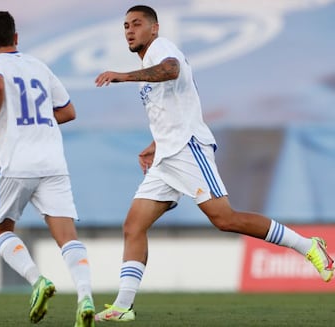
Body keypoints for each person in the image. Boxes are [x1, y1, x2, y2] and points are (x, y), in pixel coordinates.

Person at [94, 5, 334, 322]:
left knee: (224, 218)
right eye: (126, 25)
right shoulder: (148, 66)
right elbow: (178, 105)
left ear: (154, 28)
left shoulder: (161, 49)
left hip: (188, 149)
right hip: (168, 155)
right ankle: (123, 306)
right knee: (134, 226)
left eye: (137, 24)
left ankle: (308, 246)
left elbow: (172, 70)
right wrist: (155, 144)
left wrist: (123, 76)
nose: (129, 30)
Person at [0, 11, 95, 327]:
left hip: (17, 161)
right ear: (16, 38)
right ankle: (85, 297)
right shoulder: (39, 66)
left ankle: (36, 280)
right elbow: (69, 111)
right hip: (53, 161)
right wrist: (37, 120)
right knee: (67, 236)